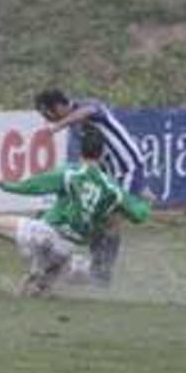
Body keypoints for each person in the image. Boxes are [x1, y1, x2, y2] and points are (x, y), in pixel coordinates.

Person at [0, 126, 151, 296]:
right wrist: (146, 202)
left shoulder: (70, 172)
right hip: (67, 248)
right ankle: (81, 271)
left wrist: (7, 185)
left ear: (81, 150)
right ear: (103, 154)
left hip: (46, 234)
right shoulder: (113, 188)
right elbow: (139, 215)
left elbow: (35, 186)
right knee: (29, 294)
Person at [33, 89, 155, 287]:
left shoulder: (86, 106)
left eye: (48, 113)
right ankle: (97, 268)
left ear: (58, 106)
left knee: (110, 219)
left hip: (126, 169)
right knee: (97, 218)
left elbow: (89, 110)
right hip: (111, 173)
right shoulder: (76, 124)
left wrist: (56, 127)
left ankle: (101, 273)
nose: (47, 118)